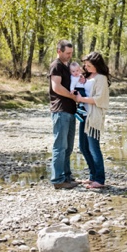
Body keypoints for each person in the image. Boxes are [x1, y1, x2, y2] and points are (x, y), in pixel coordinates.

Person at [74, 51, 111, 189]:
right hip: (84, 114)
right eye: (85, 65)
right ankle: (92, 176)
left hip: (94, 116)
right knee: (83, 147)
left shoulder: (101, 78)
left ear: (96, 65)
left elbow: (100, 99)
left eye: (89, 65)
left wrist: (81, 99)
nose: (86, 67)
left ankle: (100, 180)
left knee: (93, 147)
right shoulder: (88, 76)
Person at [48, 39, 79, 189]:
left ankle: (67, 176)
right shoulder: (56, 65)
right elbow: (56, 87)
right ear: (59, 51)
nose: (69, 56)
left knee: (68, 147)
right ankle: (58, 180)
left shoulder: (68, 66)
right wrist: (72, 96)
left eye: (71, 53)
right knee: (60, 147)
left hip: (70, 111)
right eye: (67, 53)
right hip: (60, 111)